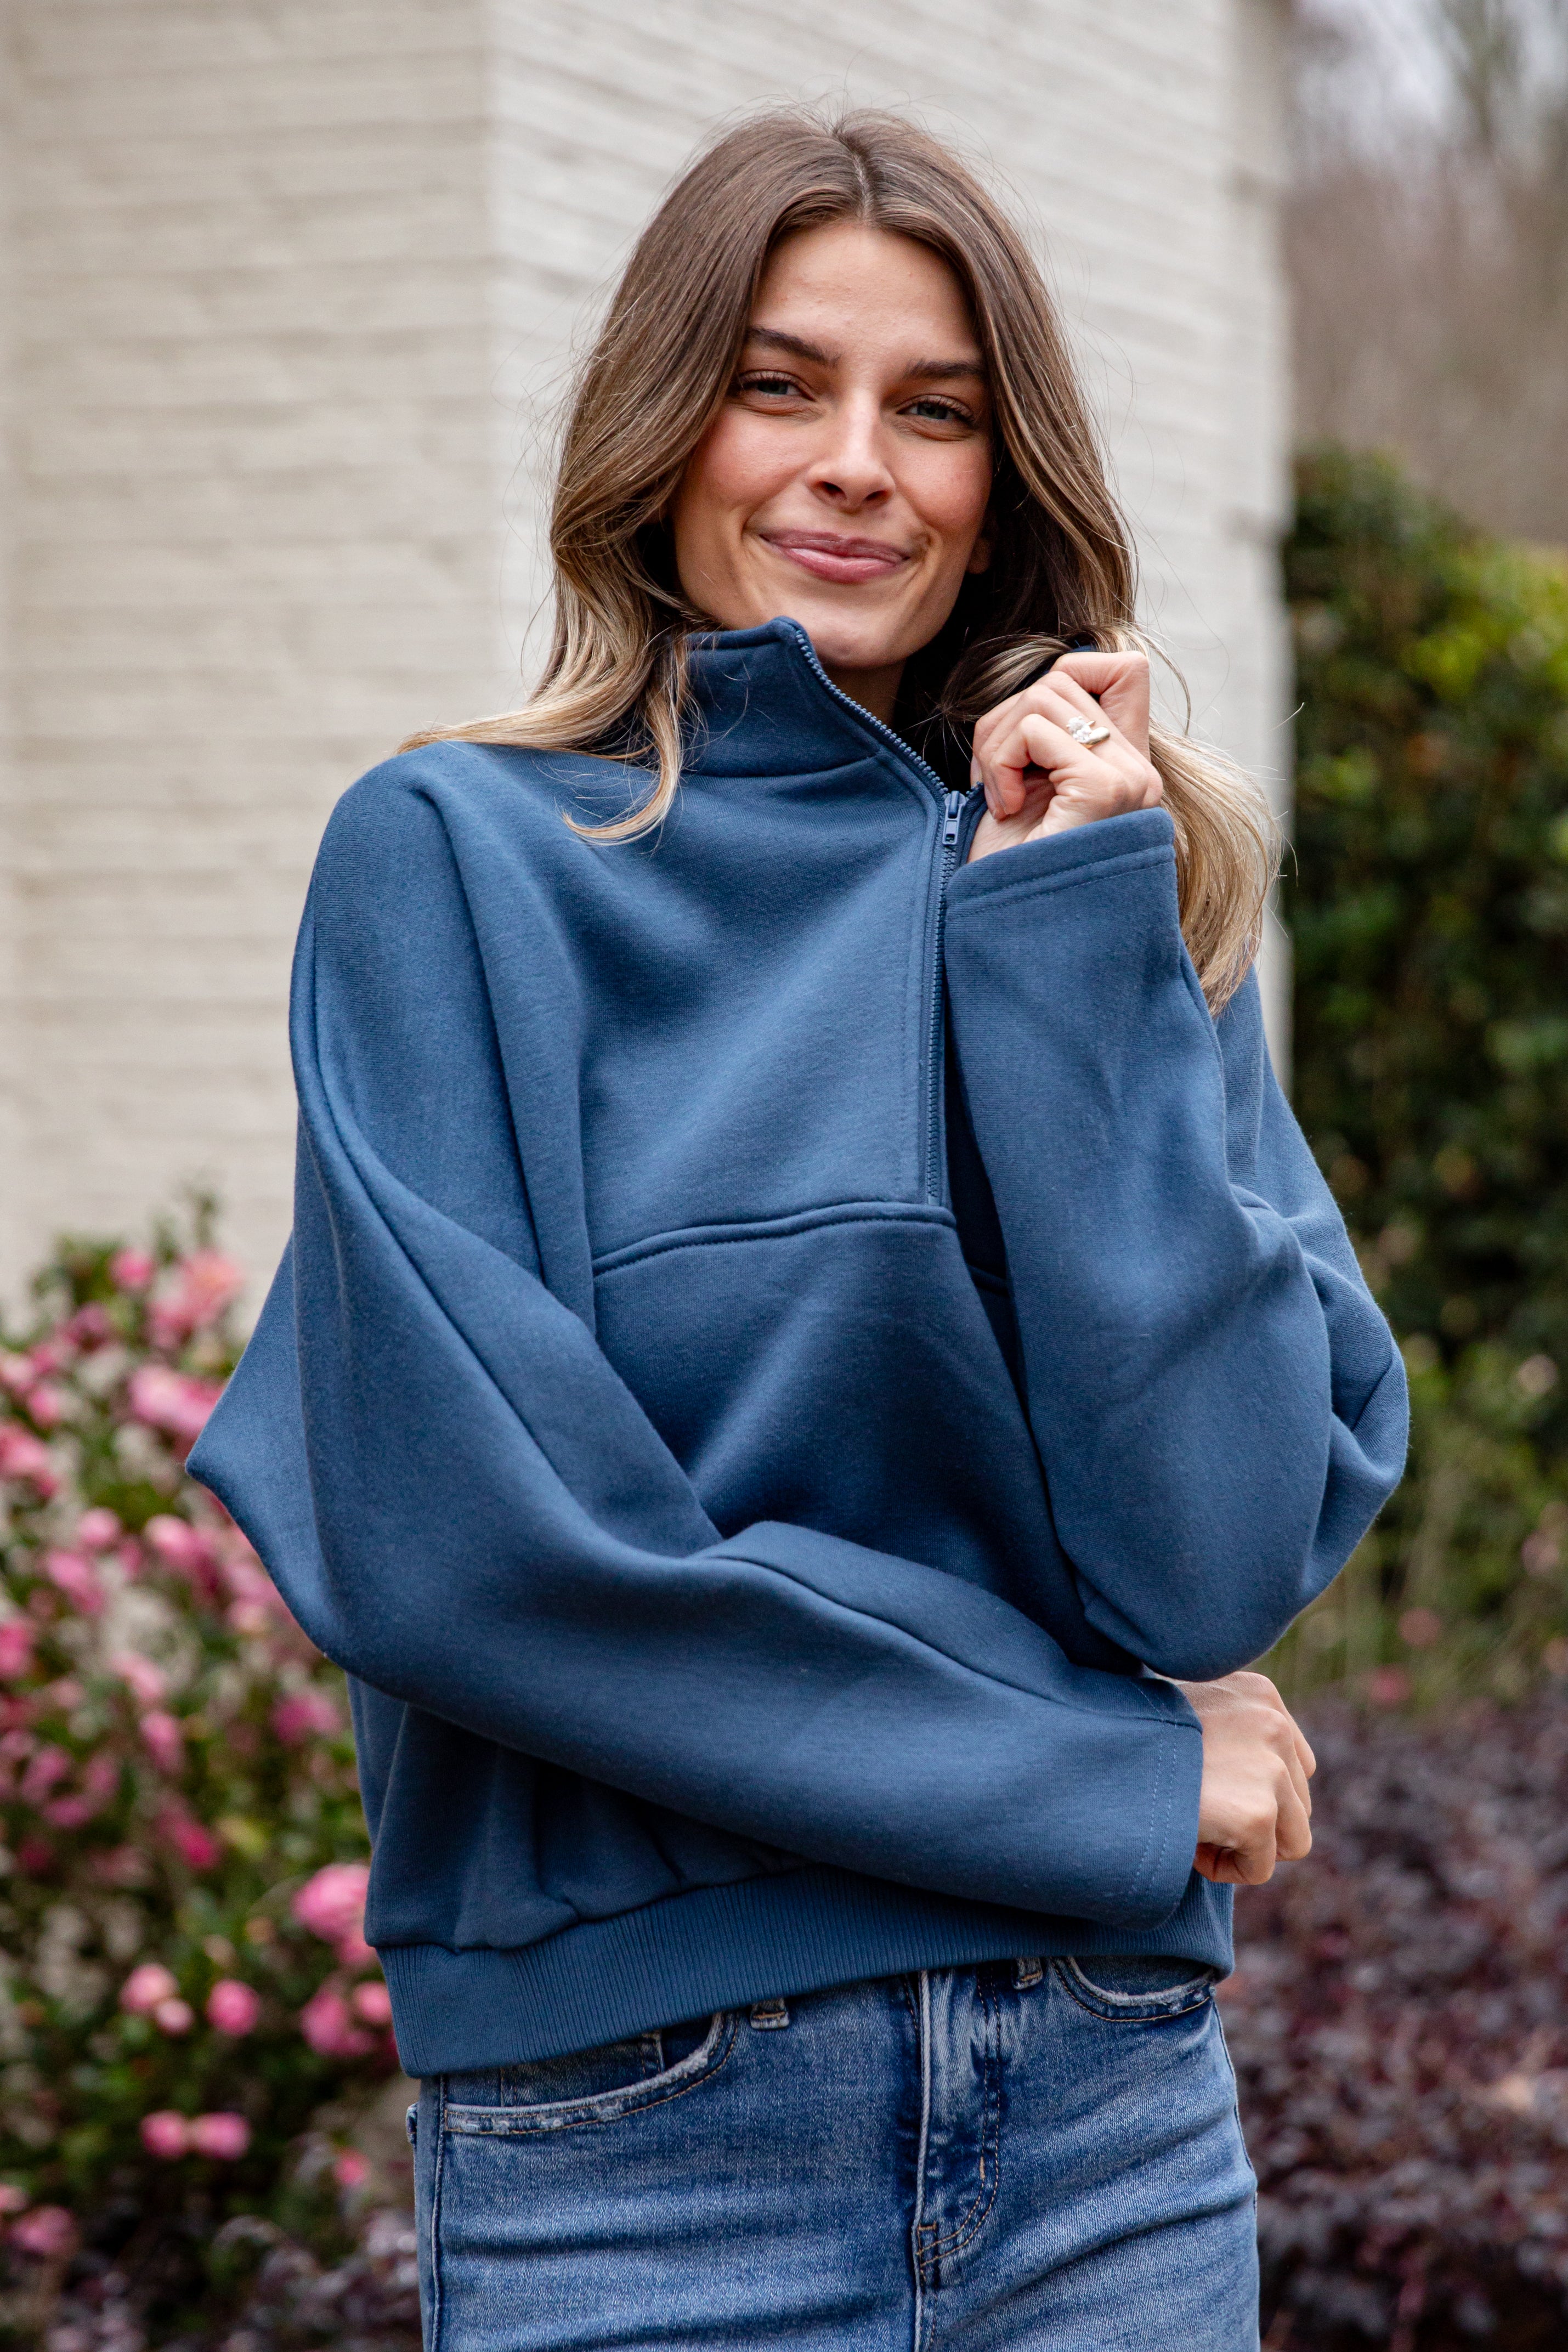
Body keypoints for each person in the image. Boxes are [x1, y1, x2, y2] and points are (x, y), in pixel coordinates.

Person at [192, 109, 1407, 2352]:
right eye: (780, 384)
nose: (856, 464)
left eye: (932, 410)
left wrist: (1064, 940)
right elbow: (481, 1552)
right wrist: (1106, 1769)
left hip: (1108, 2122)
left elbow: (1211, 1555)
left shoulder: (1105, 885)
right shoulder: (454, 861)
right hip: (640, 2143)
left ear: (997, 477)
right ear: (664, 431)